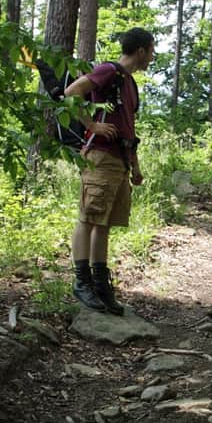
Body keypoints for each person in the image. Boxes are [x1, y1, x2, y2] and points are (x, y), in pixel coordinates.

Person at [64, 28, 155, 316]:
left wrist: (135, 166)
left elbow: (129, 128)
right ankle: (82, 282)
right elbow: (71, 93)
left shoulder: (130, 84)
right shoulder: (109, 71)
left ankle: (101, 285)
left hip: (120, 161)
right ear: (140, 50)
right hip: (101, 157)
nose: (152, 56)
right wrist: (92, 125)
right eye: (151, 50)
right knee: (89, 217)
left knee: (104, 222)